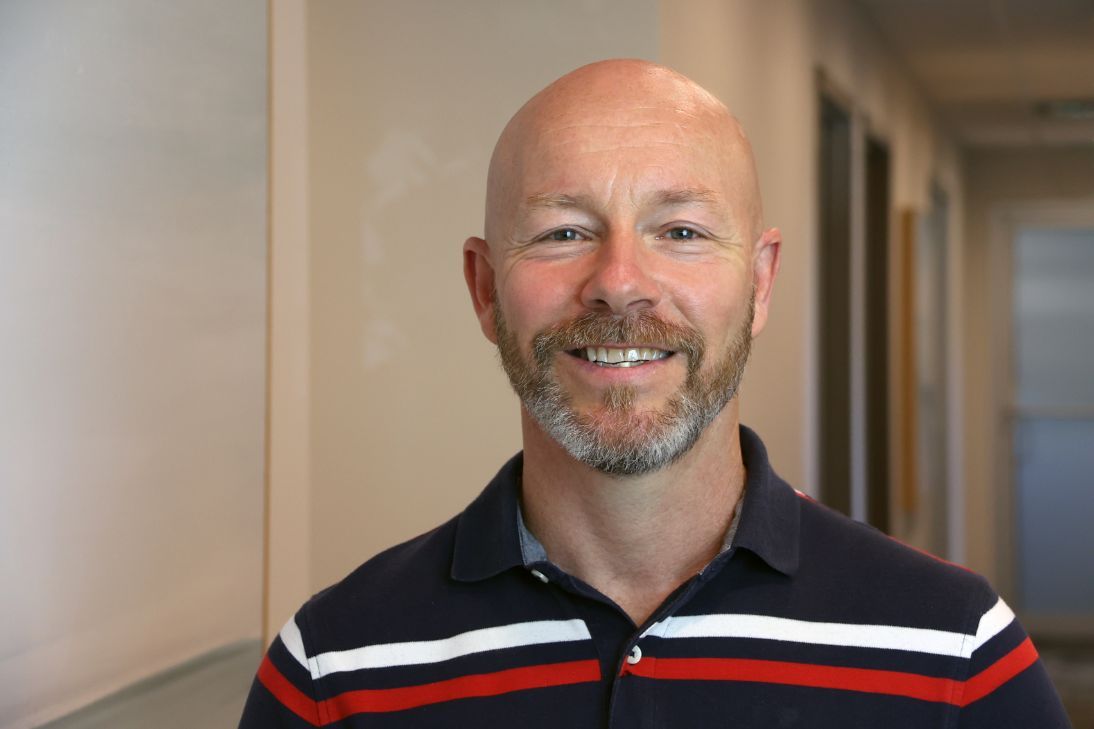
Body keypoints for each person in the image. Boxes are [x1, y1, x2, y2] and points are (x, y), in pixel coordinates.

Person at [238, 59, 1071, 728]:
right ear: (485, 289)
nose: (621, 285)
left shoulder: (954, 655)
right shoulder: (334, 672)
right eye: (564, 231)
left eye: (681, 231)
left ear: (761, 282)